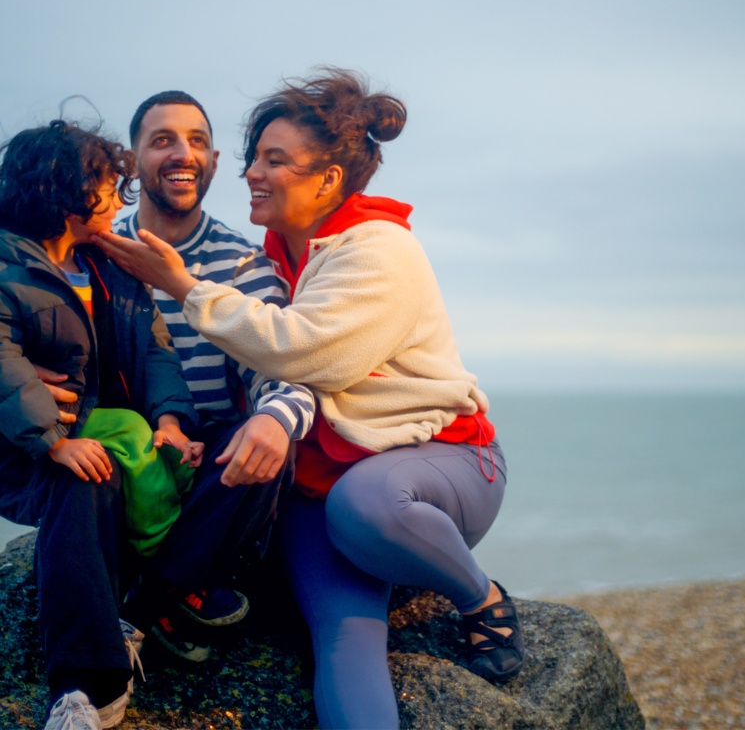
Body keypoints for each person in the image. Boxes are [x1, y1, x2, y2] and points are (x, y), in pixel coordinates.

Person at [95, 69, 524, 730]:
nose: (252, 175)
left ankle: (480, 597)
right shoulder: (275, 255)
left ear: (327, 179)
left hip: (437, 463)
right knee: (341, 637)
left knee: (365, 508)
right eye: (252, 159)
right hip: (323, 479)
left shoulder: (380, 251)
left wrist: (183, 287)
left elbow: (303, 350)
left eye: (275, 161)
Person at [0, 120, 201, 730]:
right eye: (110, 188)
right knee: (86, 479)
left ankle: (146, 605)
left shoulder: (113, 265)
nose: (121, 199)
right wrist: (55, 441)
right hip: (34, 455)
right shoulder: (9, 265)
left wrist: (170, 418)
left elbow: (156, 348)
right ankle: (82, 687)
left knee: (238, 464)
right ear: (66, 193)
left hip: (118, 433)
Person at [111, 91, 315, 660]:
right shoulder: (100, 249)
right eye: (162, 140)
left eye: (197, 141)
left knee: (262, 445)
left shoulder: (242, 262)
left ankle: (142, 609)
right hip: (127, 447)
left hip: (207, 460)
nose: (183, 154)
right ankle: (184, 589)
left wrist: (275, 418)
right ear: (131, 162)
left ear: (215, 160)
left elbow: (282, 367)